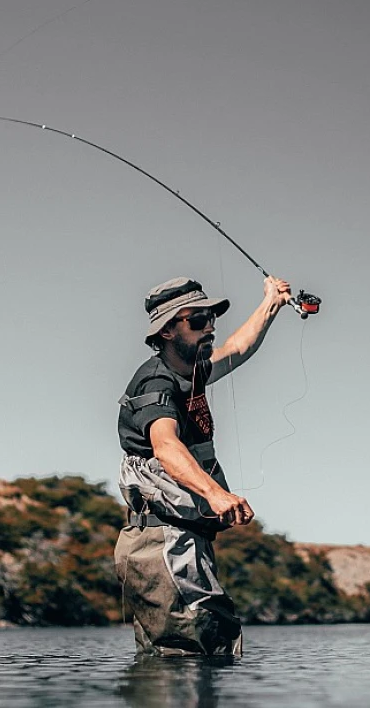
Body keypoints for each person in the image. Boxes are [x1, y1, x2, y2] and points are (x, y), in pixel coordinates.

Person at [115, 274, 291, 657]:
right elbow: (165, 446)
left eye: (211, 317)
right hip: (162, 543)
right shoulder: (155, 383)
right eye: (196, 321)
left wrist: (270, 304)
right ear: (165, 331)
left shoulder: (192, 372)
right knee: (200, 651)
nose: (209, 327)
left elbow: (238, 347)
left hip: (182, 541)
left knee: (184, 662)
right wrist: (216, 494)